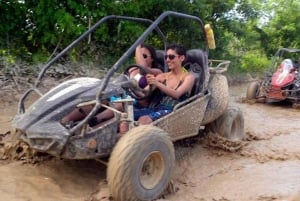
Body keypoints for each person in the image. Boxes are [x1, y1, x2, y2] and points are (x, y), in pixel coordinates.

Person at [61, 44, 162, 126]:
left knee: (119, 104)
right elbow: (120, 82)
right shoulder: (132, 69)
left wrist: (137, 47)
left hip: (136, 101)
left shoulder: (156, 72)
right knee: (98, 98)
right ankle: (66, 121)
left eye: (144, 56)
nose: (141, 59)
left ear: (152, 59)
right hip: (120, 94)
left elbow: (145, 94)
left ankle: (92, 122)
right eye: (139, 55)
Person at [134, 44, 195, 125]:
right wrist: (133, 87)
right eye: (166, 57)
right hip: (158, 108)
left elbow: (176, 94)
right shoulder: (162, 76)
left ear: (181, 58)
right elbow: (144, 92)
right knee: (128, 115)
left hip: (175, 112)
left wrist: (157, 84)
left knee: (144, 119)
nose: (167, 60)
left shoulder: (188, 77)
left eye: (171, 57)